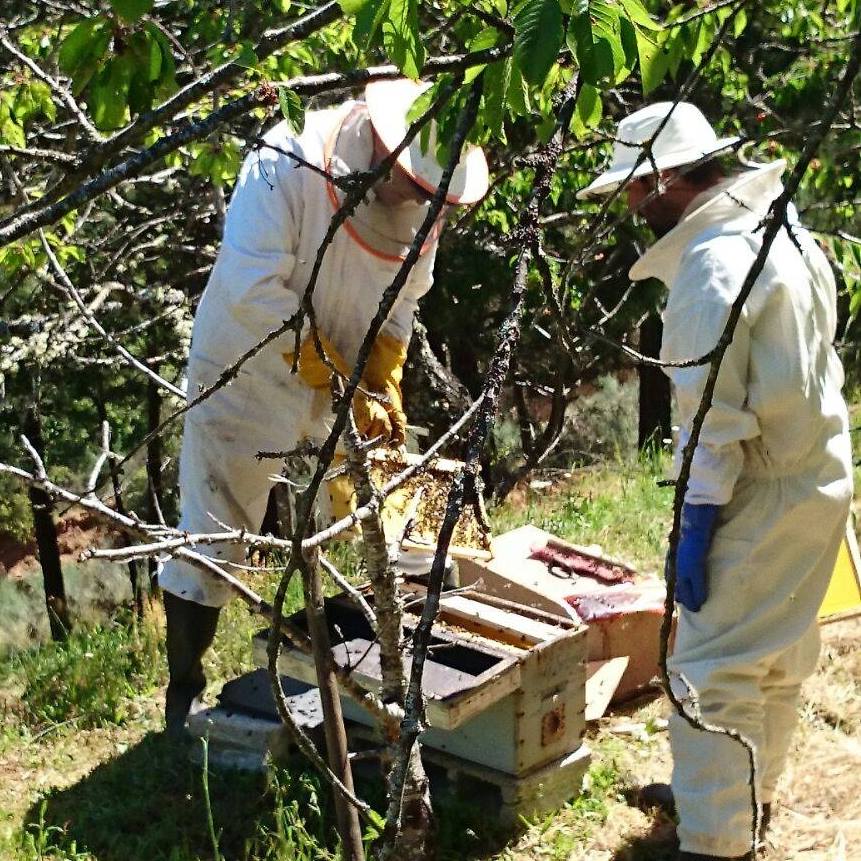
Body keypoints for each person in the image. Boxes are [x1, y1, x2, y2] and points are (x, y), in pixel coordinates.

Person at [158, 78, 489, 739]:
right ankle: (183, 689)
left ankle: (373, 690)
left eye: (430, 197)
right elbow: (255, 287)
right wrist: (327, 370)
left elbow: (401, 300)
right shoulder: (283, 161)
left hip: (346, 369)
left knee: (379, 521)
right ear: (378, 152)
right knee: (213, 535)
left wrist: (382, 372)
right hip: (246, 369)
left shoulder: (424, 203)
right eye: (410, 187)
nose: (417, 203)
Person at [578, 102, 852, 861]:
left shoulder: (709, 269)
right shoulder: (784, 229)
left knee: (708, 671)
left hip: (759, 489)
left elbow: (709, 424)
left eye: (633, 189)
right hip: (821, 469)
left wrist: (694, 525)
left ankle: (713, 842)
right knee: (776, 655)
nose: (630, 206)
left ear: (665, 177)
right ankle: (744, 801)